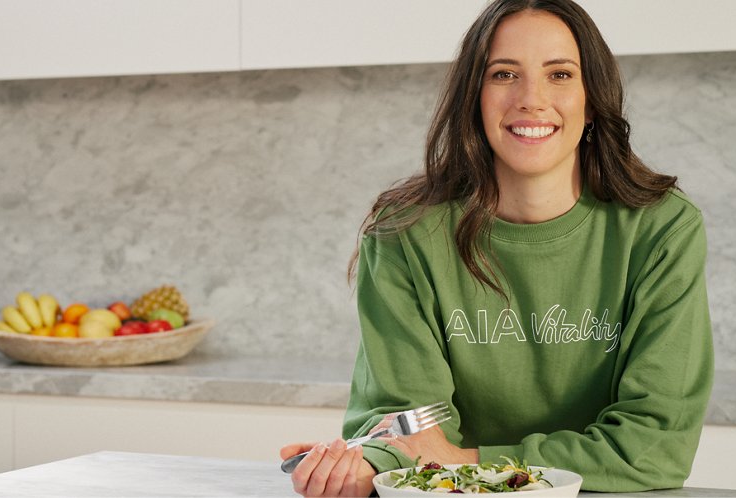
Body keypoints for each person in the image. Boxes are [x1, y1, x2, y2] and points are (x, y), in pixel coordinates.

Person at [279, 0, 713, 495]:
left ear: (592, 99)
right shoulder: (405, 233)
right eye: (504, 74)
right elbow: (406, 423)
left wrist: (464, 462)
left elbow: (654, 446)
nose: (531, 99)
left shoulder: (660, 229)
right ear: (474, 96)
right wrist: (365, 464)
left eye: (560, 74)